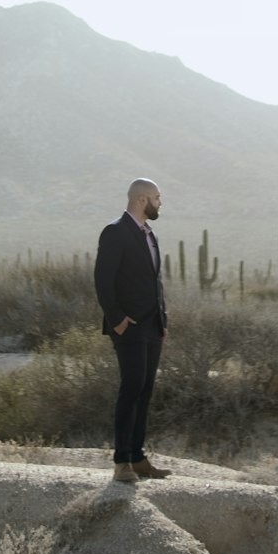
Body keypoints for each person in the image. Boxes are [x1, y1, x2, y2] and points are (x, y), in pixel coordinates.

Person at [93, 177, 170, 484]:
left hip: (152, 325)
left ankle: (138, 458)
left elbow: (155, 282)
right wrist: (118, 320)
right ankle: (121, 462)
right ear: (142, 200)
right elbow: (103, 280)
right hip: (129, 326)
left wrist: (162, 320)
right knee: (131, 388)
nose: (160, 203)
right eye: (157, 197)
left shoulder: (149, 234)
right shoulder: (115, 232)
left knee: (145, 392)